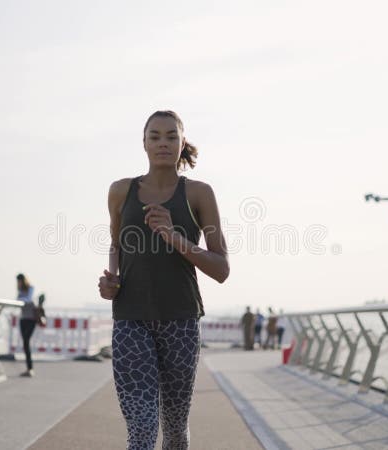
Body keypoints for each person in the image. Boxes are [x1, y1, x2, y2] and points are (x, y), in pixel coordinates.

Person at [98, 110, 230, 450]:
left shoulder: (199, 194)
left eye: (171, 136)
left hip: (181, 320)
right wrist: (110, 280)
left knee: (173, 428)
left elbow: (221, 269)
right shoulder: (120, 191)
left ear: (181, 142)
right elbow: (116, 245)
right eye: (154, 136)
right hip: (131, 319)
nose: (163, 143)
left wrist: (174, 237)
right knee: (142, 429)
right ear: (143, 143)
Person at [16, 273, 36, 377]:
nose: (19, 283)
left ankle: (30, 368)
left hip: (31, 319)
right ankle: (29, 368)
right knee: (25, 343)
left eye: (20, 280)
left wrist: (21, 300)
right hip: (23, 319)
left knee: (26, 341)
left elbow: (28, 299)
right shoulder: (19, 290)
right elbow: (18, 300)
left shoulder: (30, 288)